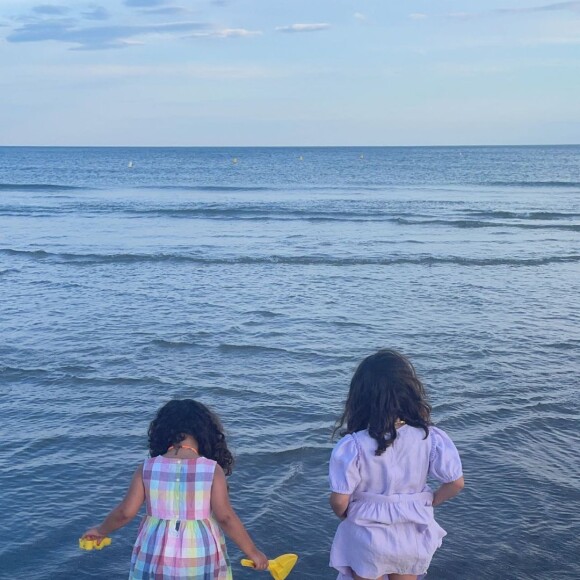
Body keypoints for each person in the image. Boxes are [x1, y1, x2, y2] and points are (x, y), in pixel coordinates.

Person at [82, 398, 268, 579]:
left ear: (162, 432)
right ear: (206, 433)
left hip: (155, 553)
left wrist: (101, 530)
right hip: (199, 553)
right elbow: (225, 517)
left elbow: (125, 512)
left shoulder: (147, 467)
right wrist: (252, 551)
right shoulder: (211, 469)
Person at [329, 349, 464, 580]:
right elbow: (455, 483)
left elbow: (340, 499)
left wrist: (345, 514)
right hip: (411, 531)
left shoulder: (353, 445)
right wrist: (429, 501)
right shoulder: (429, 437)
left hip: (367, 533)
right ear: (409, 392)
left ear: (360, 398)